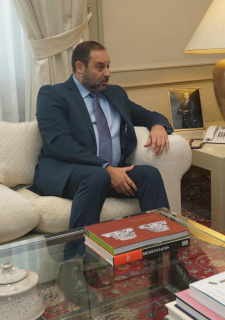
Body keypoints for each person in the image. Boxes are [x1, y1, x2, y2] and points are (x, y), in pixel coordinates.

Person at [33, 41, 193, 295]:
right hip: (69, 172)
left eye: (108, 66)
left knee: (149, 174)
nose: (107, 73)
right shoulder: (53, 94)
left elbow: (148, 114)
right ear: (79, 67)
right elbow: (58, 143)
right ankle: (72, 266)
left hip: (108, 172)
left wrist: (158, 126)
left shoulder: (115, 93)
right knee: (97, 176)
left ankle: (167, 260)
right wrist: (107, 167)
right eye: (100, 67)